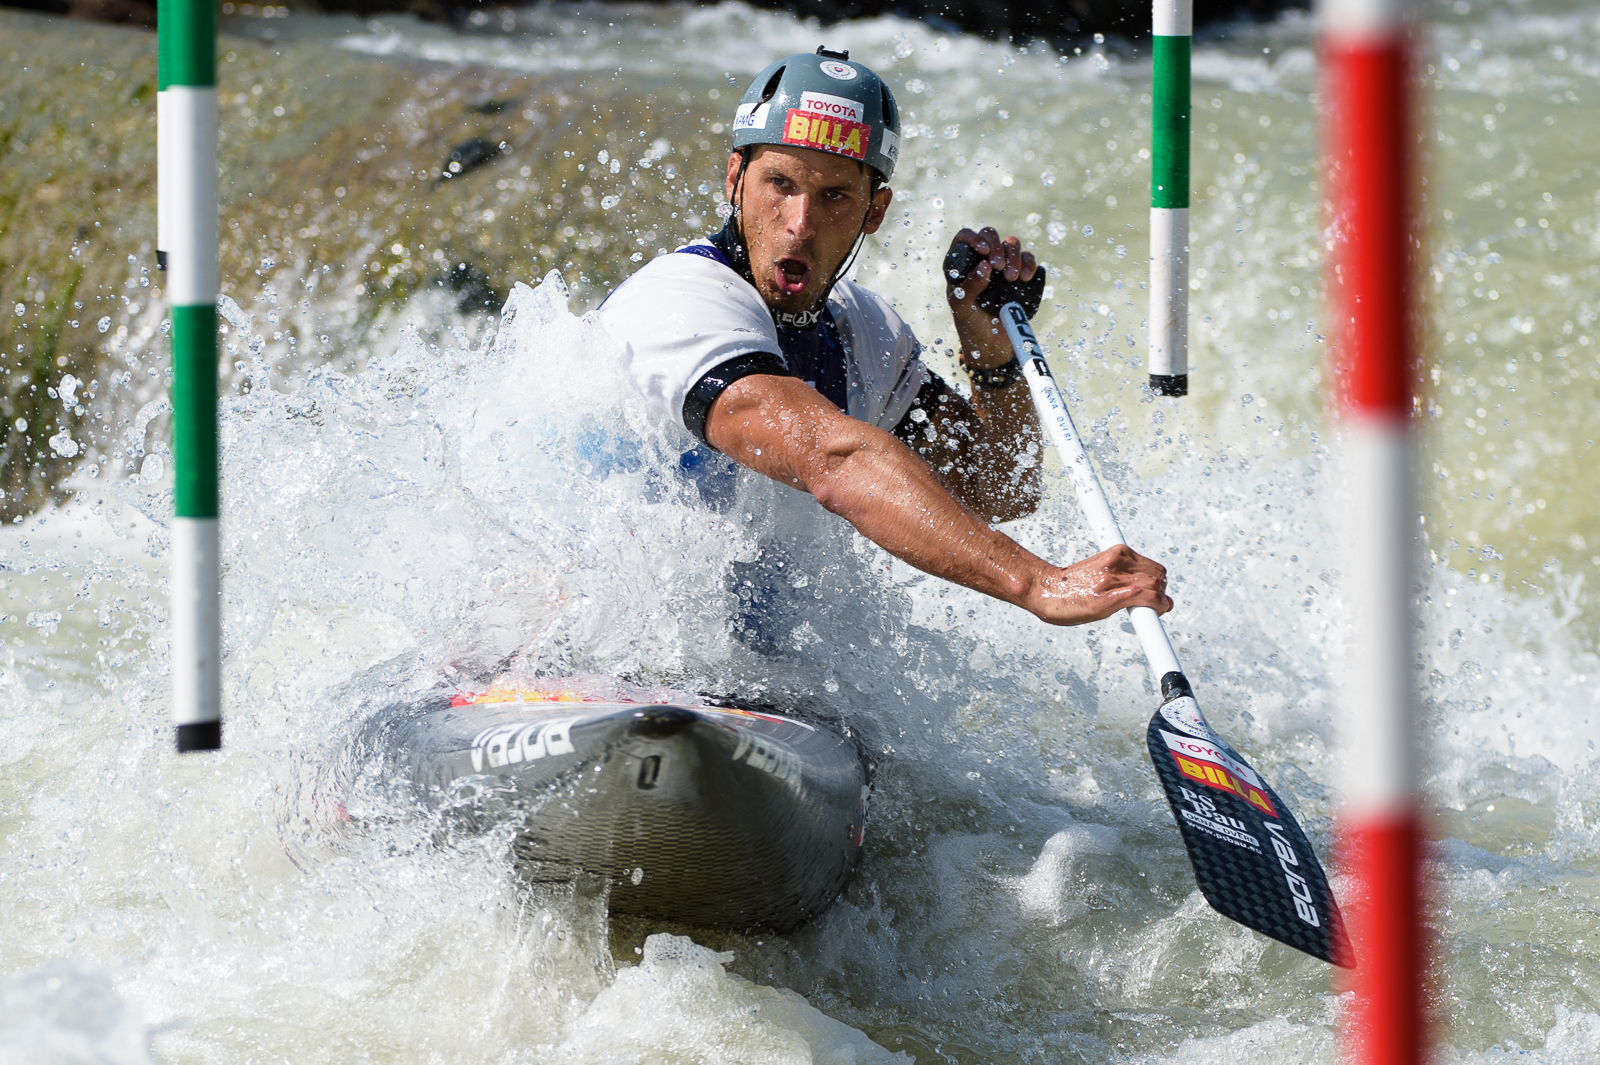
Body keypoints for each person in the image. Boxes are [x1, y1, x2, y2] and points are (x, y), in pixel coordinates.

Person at [598, 47, 1170, 627]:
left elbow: (1001, 489)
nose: (799, 223)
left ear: (875, 210)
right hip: (580, 642)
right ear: (734, 178)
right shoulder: (679, 301)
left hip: (738, 676)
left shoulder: (861, 331)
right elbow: (829, 457)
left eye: (834, 197)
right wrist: (1038, 583)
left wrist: (990, 352)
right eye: (779, 183)